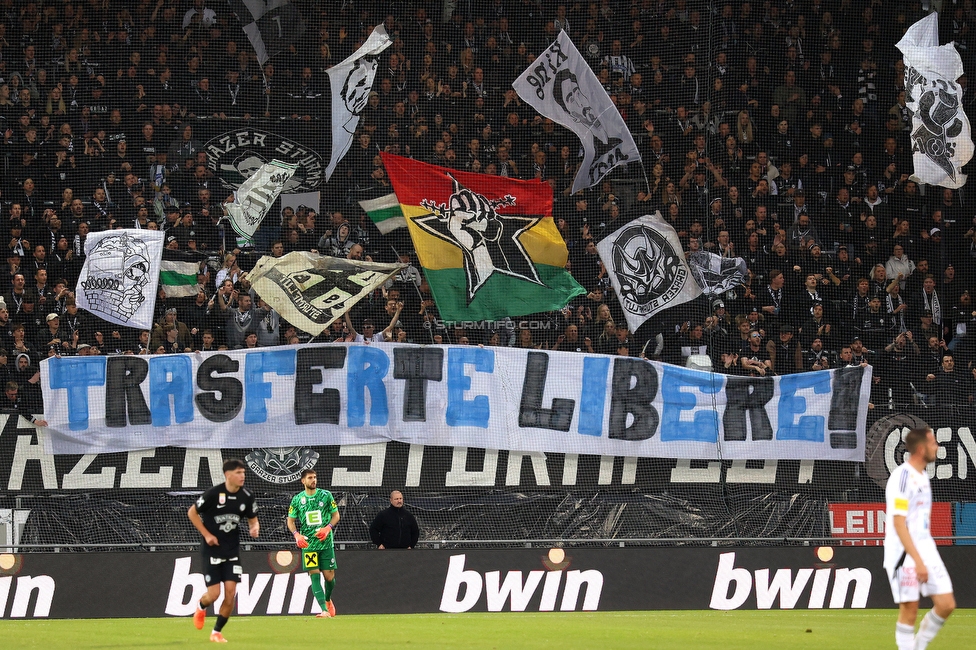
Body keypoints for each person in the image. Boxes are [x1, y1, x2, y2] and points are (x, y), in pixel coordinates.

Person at [884, 427, 956, 650]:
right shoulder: (903, 477)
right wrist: (917, 560)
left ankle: (918, 646)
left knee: (946, 604)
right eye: (934, 443)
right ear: (922, 448)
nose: (937, 447)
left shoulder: (923, 476)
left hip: (925, 546)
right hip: (904, 552)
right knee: (910, 609)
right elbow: (898, 522)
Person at [187, 459, 259, 643]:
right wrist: (206, 535)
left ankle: (216, 632)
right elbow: (192, 513)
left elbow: (253, 518)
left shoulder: (247, 496)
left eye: (243, 473)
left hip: (232, 551)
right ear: (228, 475)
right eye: (238, 473)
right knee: (214, 594)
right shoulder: (213, 494)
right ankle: (201, 606)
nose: (242, 476)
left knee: (230, 593)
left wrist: (254, 528)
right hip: (212, 550)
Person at [287, 468, 340, 618]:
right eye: (310, 478)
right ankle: (324, 609)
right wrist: (297, 535)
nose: (313, 480)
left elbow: (336, 515)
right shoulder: (297, 499)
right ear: (303, 481)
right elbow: (290, 521)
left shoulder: (326, 495)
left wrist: (328, 528)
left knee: (330, 578)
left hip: (325, 543)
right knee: (314, 575)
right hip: (308, 545)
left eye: (315, 477)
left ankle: (328, 599)